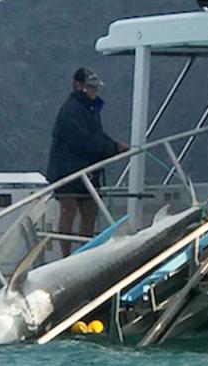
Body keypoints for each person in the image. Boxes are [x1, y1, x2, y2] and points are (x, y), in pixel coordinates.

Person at [46, 67, 129, 257]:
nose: (94, 91)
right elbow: (83, 140)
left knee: (90, 210)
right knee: (69, 209)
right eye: (90, 87)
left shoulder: (90, 109)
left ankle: (86, 253)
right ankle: (65, 256)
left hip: (87, 170)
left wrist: (113, 145)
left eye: (96, 88)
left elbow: (96, 136)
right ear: (78, 86)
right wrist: (112, 148)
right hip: (66, 170)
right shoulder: (70, 110)